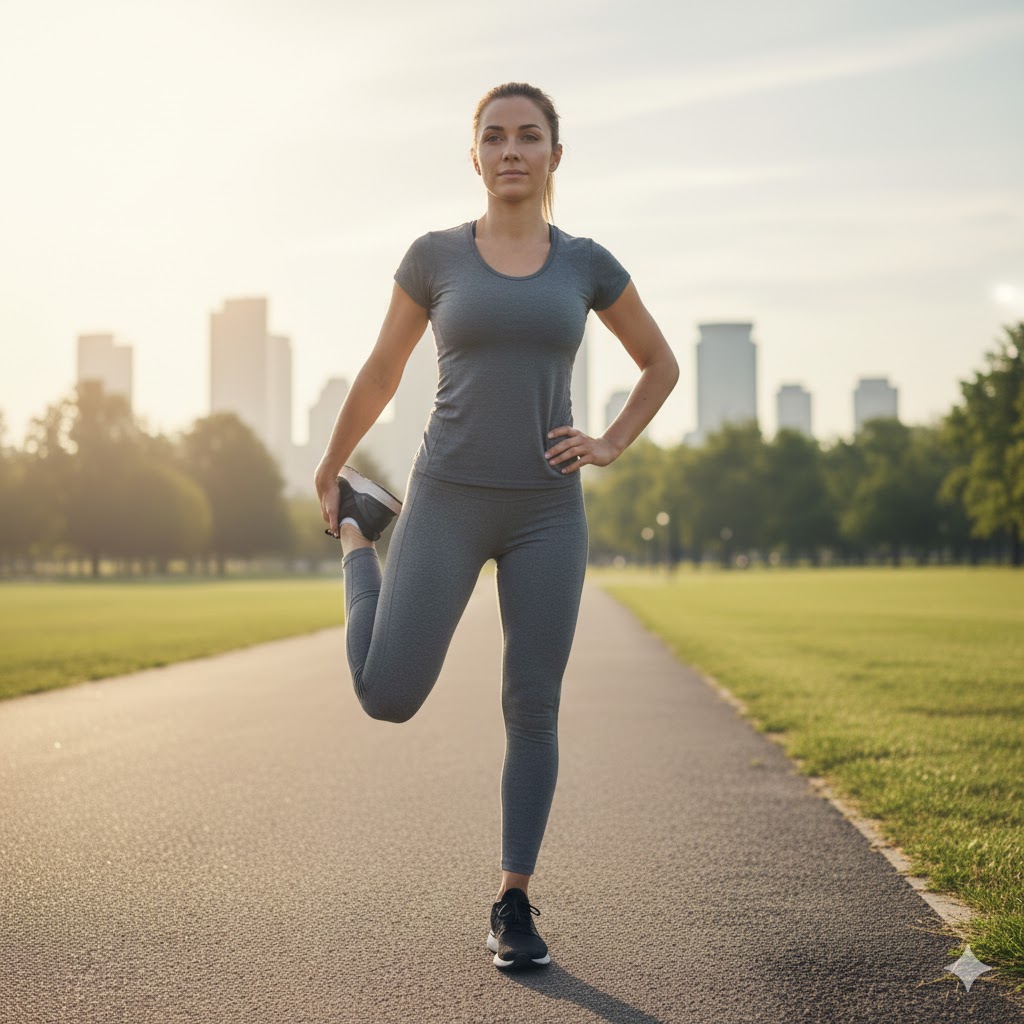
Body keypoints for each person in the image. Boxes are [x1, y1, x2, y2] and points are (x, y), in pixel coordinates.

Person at [313, 81, 679, 970]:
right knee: (386, 694)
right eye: (494, 137)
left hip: (548, 510)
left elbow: (659, 364)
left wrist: (611, 443)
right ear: (473, 155)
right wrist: (332, 468)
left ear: (557, 154)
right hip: (446, 495)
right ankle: (364, 540)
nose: (511, 150)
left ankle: (513, 901)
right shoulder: (435, 256)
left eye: (528, 136)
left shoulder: (585, 262)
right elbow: (381, 368)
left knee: (533, 707)